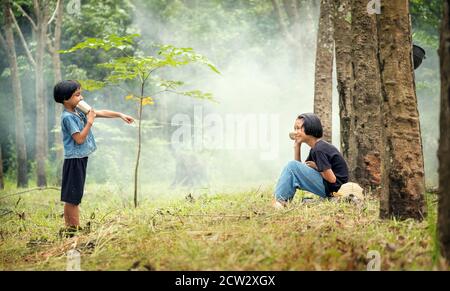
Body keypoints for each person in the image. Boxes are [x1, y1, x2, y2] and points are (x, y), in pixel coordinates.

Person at [54, 80, 134, 235]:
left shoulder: (78, 110)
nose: (81, 97)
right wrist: (89, 122)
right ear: (65, 99)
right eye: (77, 95)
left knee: (75, 194)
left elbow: (97, 112)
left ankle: (73, 228)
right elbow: (79, 139)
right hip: (74, 160)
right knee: (72, 196)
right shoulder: (68, 117)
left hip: (80, 158)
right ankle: (72, 230)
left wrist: (120, 115)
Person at [273, 113, 349, 208]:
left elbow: (332, 179)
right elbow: (299, 172)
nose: (295, 132)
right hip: (331, 187)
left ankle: (280, 201)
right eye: (295, 129)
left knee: (291, 166)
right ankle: (280, 200)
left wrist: (317, 167)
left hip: (335, 188)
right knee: (293, 166)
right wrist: (297, 146)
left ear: (310, 128)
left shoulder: (319, 149)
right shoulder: (315, 148)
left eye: (298, 128)